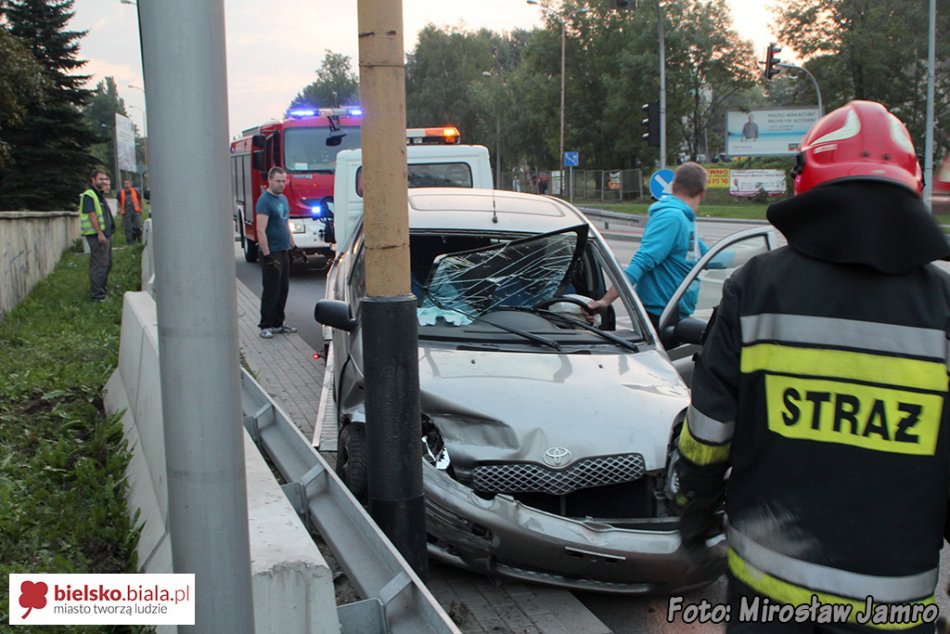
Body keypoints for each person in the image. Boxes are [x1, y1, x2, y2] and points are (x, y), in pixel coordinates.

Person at [673, 101, 950, 632]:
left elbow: (708, 435)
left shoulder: (756, 288)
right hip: (890, 606)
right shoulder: (942, 309)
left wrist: (692, 510)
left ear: (808, 177)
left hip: (767, 596)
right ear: (910, 183)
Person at [588, 161, 709, 330]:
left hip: (675, 312)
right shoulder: (672, 218)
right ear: (703, 193)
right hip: (660, 314)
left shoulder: (685, 220)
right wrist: (606, 300)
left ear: (673, 186)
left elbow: (710, 258)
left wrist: (755, 252)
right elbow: (642, 260)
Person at [256, 167, 298, 339]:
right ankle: (265, 325)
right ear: (270, 180)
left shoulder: (283, 199)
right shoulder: (264, 201)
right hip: (271, 252)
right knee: (271, 290)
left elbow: (285, 224)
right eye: (278, 181)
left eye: (284, 181)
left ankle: (278, 323)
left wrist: (294, 246)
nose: (282, 184)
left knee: (283, 289)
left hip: (283, 249)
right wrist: (267, 256)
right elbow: (260, 230)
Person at [78, 170, 115, 302]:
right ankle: (97, 296)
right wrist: (99, 232)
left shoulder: (99, 195)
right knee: (99, 265)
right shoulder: (89, 195)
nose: (104, 181)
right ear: (93, 180)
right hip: (97, 236)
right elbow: (91, 214)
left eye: (105, 179)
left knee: (106, 264)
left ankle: (102, 291)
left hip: (105, 235)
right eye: (101, 179)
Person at [117, 177, 143, 243]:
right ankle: (130, 242)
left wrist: (141, 209)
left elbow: (140, 201)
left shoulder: (135, 191)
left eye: (128, 183)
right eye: (125, 183)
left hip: (135, 211)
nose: (126, 185)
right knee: (128, 228)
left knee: (137, 226)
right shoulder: (121, 193)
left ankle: (139, 239)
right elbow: (118, 202)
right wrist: (119, 210)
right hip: (126, 212)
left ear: (131, 184)